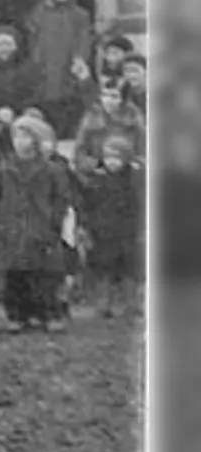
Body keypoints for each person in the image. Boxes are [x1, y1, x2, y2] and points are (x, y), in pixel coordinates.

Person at [0, 114, 76, 332]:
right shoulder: (4, 168)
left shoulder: (51, 170)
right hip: (12, 230)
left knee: (44, 277)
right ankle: (17, 316)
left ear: (36, 140)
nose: (20, 142)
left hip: (41, 228)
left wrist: (54, 222)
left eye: (26, 137)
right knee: (14, 277)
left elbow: (61, 198)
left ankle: (46, 314)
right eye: (16, 137)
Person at [76, 135, 143, 318]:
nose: (112, 162)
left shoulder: (135, 179)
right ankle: (103, 303)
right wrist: (85, 226)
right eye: (108, 157)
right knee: (103, 268)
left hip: (128, 232)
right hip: (102, 233)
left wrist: (141, 228)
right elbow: (87, 204)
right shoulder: (96, 179)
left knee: (130, 269)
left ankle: (131, 303)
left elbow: (140, 204)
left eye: (117, 158)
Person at [23, 0, 95, 137]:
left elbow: (85, 38)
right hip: (46, 65)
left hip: (70, 64)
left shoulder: (80, 14)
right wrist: (36, 59)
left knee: (71, 99)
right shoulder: (40, 12)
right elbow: (33, 37)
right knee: (49, 100)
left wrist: (80, 59)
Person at [72, 82, 145, 173]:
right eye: (104, 95)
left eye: (114, 96)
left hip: (128, 173)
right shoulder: (91, 117)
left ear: (123, 99)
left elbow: (145, 156)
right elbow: (79, 155)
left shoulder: (134, 119)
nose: (108, 100)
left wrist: (127, 163)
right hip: (97, 174)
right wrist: (99, 164)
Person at [0, 25, 40, 116]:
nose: (3, 48)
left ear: (17, 46)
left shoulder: (28, 68)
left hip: (23, 113)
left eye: (8, 44)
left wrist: (15, 110)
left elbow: (34, 97)